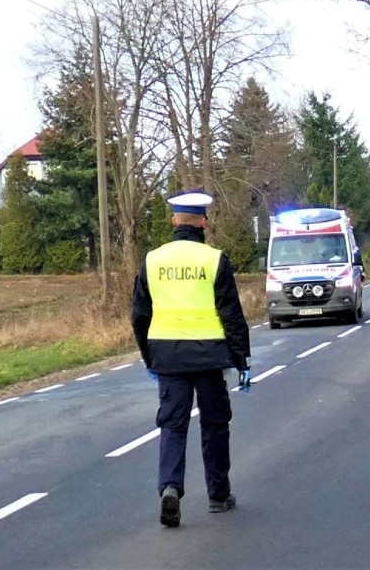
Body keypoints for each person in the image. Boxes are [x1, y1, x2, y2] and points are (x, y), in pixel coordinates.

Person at [131, 190, 251, 528]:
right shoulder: (214, 260)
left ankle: (170, 487)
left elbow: (139, 314)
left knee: (172, 425)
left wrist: (148, 357)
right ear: (203, 222)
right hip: (210, 357)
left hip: (167, 356)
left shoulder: (152, 260)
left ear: (173, 221)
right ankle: (218, 495)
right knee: (214, 424)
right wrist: (242, 360)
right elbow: (232, 314)